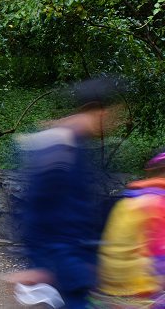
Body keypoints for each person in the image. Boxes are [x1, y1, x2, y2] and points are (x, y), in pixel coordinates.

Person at [11, 77, 124, 309]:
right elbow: (33, 204)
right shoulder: (58, 145)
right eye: (114, 113)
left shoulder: (80, 145)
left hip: (75, 264)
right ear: (101, 112)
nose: (116, 120)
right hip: (59, 263)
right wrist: (34, 262)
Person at [92, 151, 165, 308]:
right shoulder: (158, 202)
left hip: (109, 283)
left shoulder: (130, 198)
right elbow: (160, 253)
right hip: (139, 288)